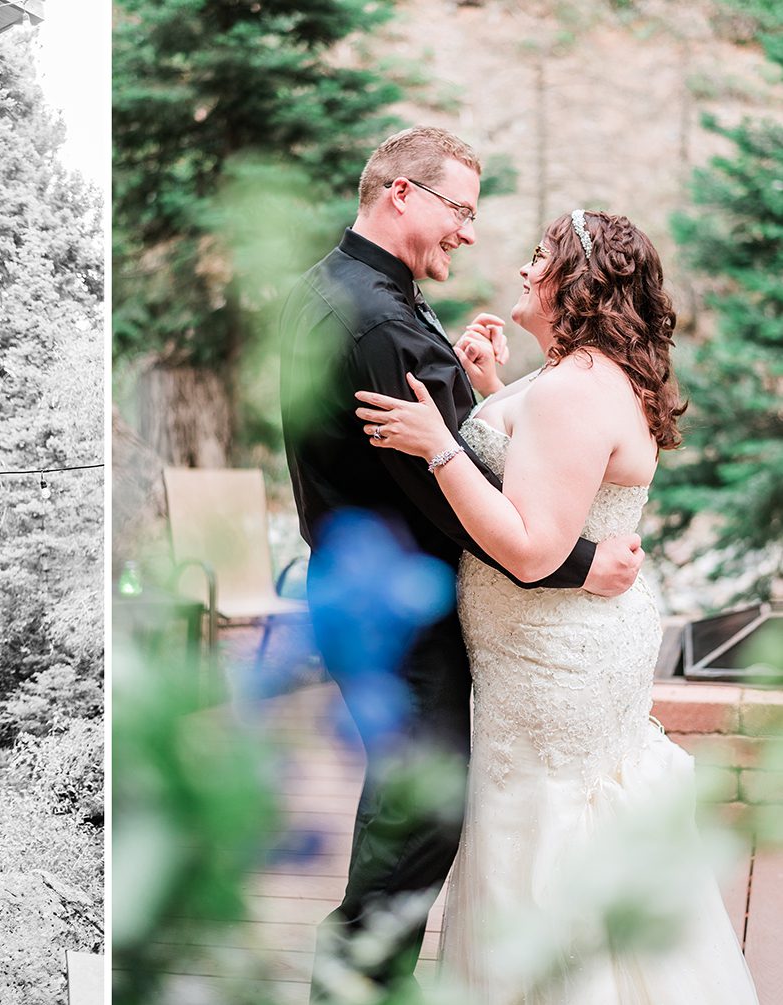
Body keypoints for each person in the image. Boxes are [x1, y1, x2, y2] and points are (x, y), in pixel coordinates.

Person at [353, 211, 757, 1004]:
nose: (521, 270)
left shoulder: (575, 389)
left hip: (552, 664)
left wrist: (438, 441)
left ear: (574, 282)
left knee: (544, 828)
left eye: (538, 257)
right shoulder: (581, 373)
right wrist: (490, 395)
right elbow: (548, 471)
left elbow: (535, 547)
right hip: (560, 647)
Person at [278, 126, 645, 999]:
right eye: (460, 211)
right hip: (398, 614)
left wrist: (481, 392)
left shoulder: (345, 291)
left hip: (368, 595)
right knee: (413, 828)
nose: (471, 235)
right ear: (401, 193)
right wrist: (583, 560)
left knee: (412, 821)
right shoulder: (378, 321)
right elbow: (454, 500)